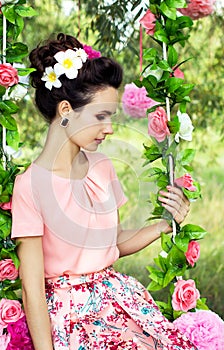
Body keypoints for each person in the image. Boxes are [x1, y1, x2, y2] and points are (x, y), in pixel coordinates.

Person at [11, 33, 197, 350]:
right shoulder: (31, 186)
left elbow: (112, 242)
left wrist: (165, 224)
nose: (110, 128)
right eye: (101, 116)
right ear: (66, 110)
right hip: (73, 315)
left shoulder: (102, 167)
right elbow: (32, 289)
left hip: (118, 298)